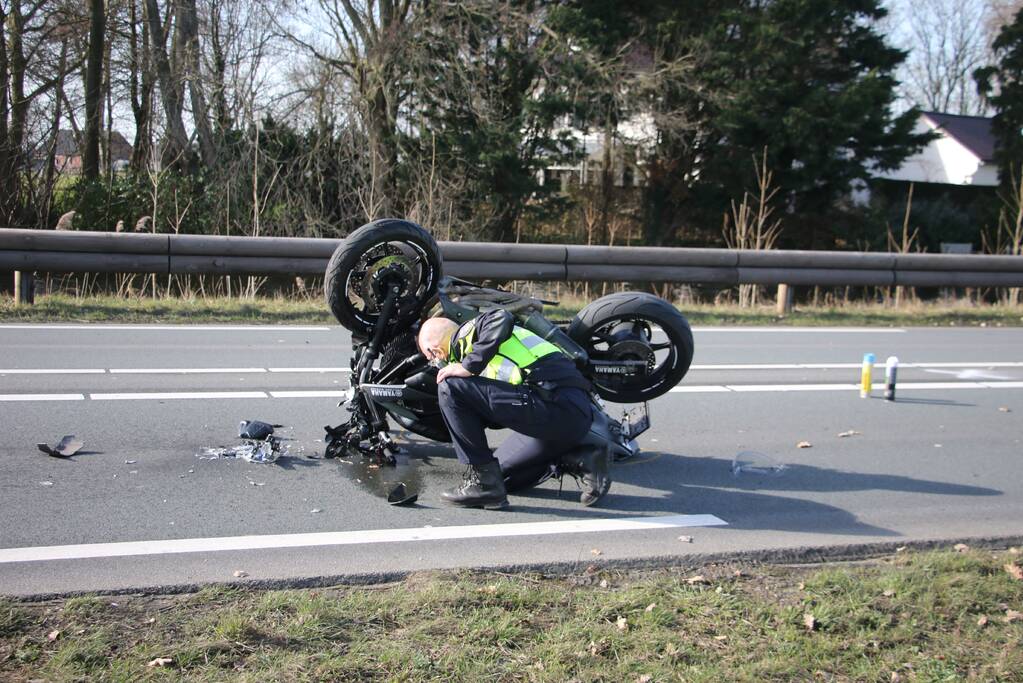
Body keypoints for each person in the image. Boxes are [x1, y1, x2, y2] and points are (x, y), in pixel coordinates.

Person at [417, 310, 611, 509]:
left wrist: (469, 366)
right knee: (501, 479)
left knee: (449, 387)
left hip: (557, 404)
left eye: (430, 358)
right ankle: (581, 458)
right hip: (552, 417)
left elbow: (501, 316)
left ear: (435, 351)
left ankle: (483, 484)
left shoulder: (467, 335)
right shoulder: (479, 351)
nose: (434, 363)